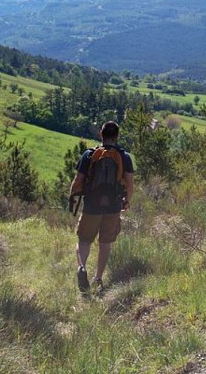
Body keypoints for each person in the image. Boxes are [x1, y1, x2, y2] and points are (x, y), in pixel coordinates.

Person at [69, 121, 134, 293]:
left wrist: (73, 196)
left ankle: (82, 267)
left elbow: (78, 181)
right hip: (113, 206)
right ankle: (98, 278)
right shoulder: (124, 157)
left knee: (84, 240)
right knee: (105, 243)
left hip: (92, 204)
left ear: (101, 134)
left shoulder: (90, 155)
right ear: (117, 136)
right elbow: (129, 183)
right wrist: (126, 200)